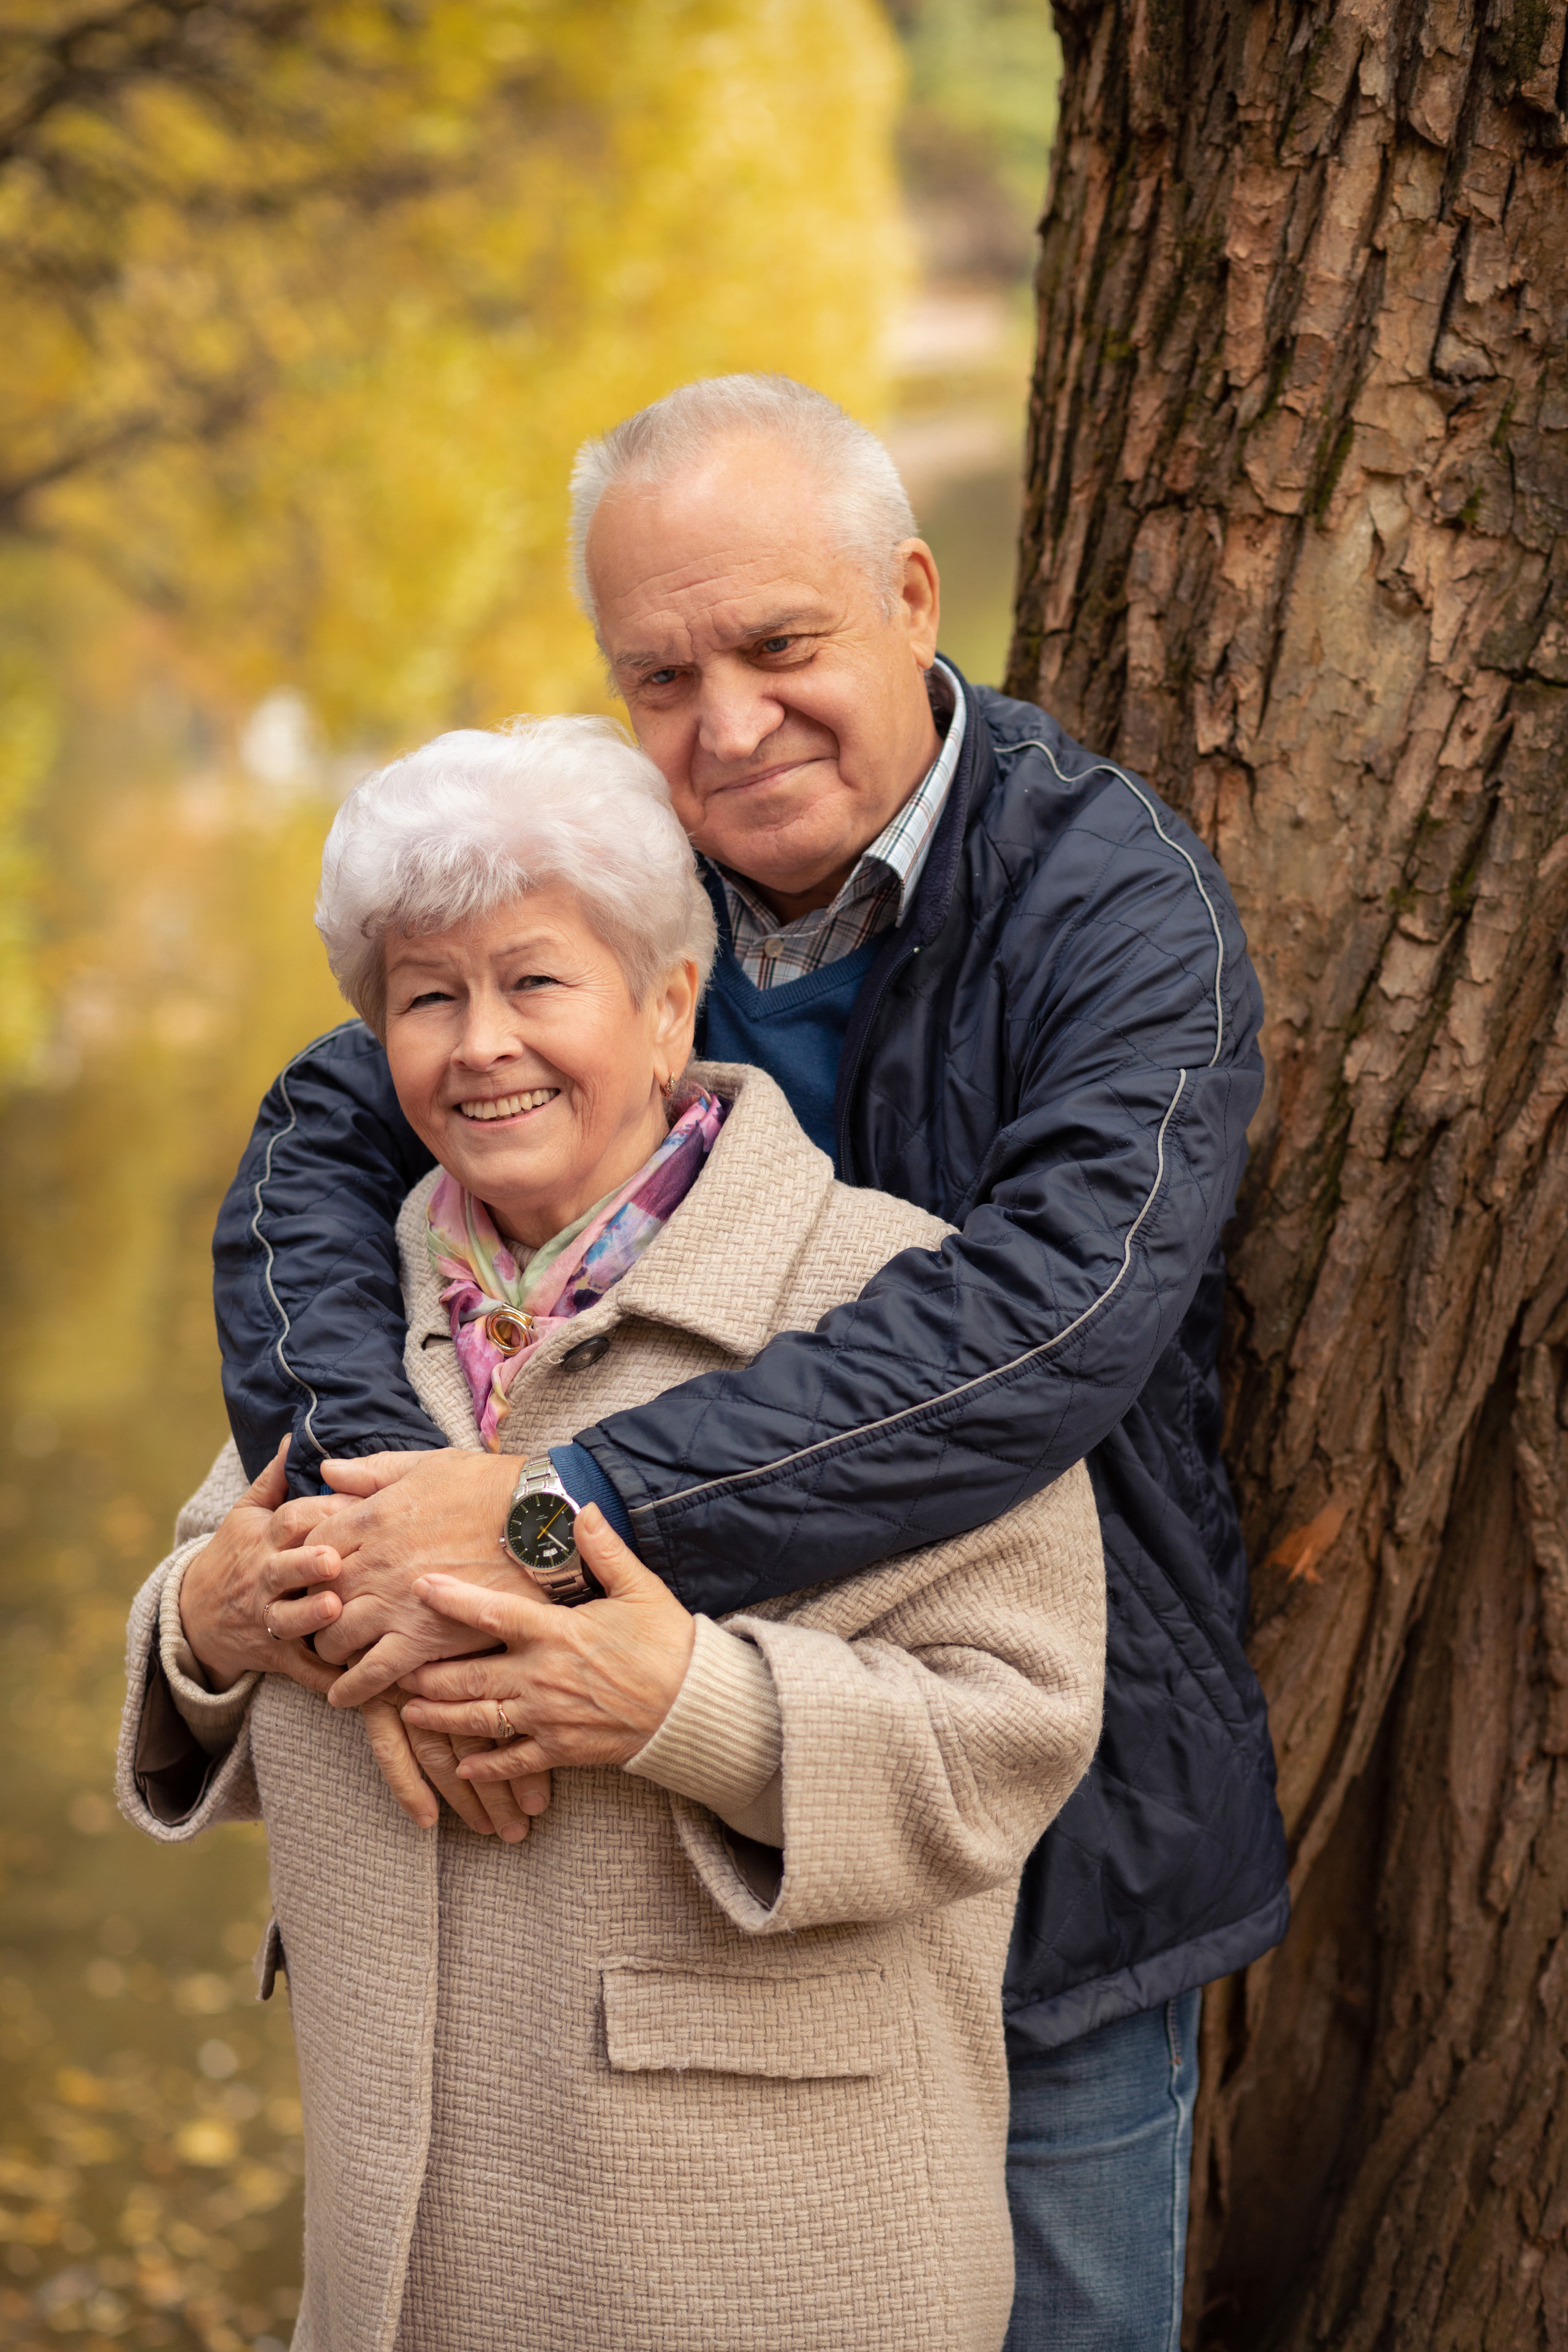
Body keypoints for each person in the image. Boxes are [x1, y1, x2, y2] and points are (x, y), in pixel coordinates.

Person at [211, 374, 1289, 2348]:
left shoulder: (1114, 910)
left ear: (909, 594)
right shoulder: (610, 880)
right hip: (609, 1885)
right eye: (660, 674)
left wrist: (546, 1526)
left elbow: (1037, 1329)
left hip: (1042, 1827)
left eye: (781, 647)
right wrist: (397, 1543)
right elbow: (311, 1154)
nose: (726, 726)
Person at [118, 717, 1106, 2352]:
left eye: (535, 982)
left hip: (755, 2249)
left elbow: (1020, 1724)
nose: (480, 1043)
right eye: (427, 997)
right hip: (400, 2249)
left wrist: (681, 1703)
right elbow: (216, 1607)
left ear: (664, 1009)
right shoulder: (355, 1311)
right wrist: (203, 1628)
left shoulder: (879, 1295)